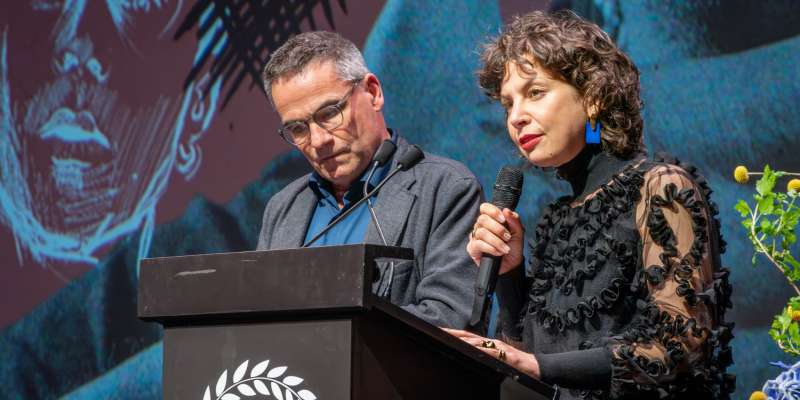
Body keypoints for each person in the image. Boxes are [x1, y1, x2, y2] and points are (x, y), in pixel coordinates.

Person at [445, 10, 734, 399]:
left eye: (534, 93)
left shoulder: (660, 187)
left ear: (594, 97)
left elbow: (681, 344)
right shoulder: (560, 217)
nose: (516, 118)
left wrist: (536, 365)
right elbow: (527, 360)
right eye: (507, 104)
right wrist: (511, 275)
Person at [257, 31, 481, 328]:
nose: (319, 140)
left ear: (373, 92)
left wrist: (328, 336)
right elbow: (258, 320)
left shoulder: (446, 189)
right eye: (298, 128)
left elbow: (451, 321)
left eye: (329, 113)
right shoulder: (282, 209)